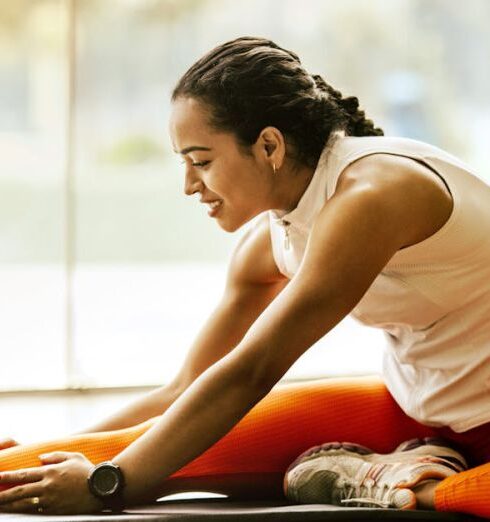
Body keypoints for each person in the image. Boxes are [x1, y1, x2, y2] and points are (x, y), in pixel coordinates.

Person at [0, 36, 489, 518]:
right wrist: (67, 454)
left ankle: (415, 487)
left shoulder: (372, 196)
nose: (189, 185)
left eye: (201, 161)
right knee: (48, 471)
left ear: (269, 145)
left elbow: (253, 370)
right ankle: (421, 465)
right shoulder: (271, 238)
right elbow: (185, 390)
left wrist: (107, 485)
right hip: (415, 413)